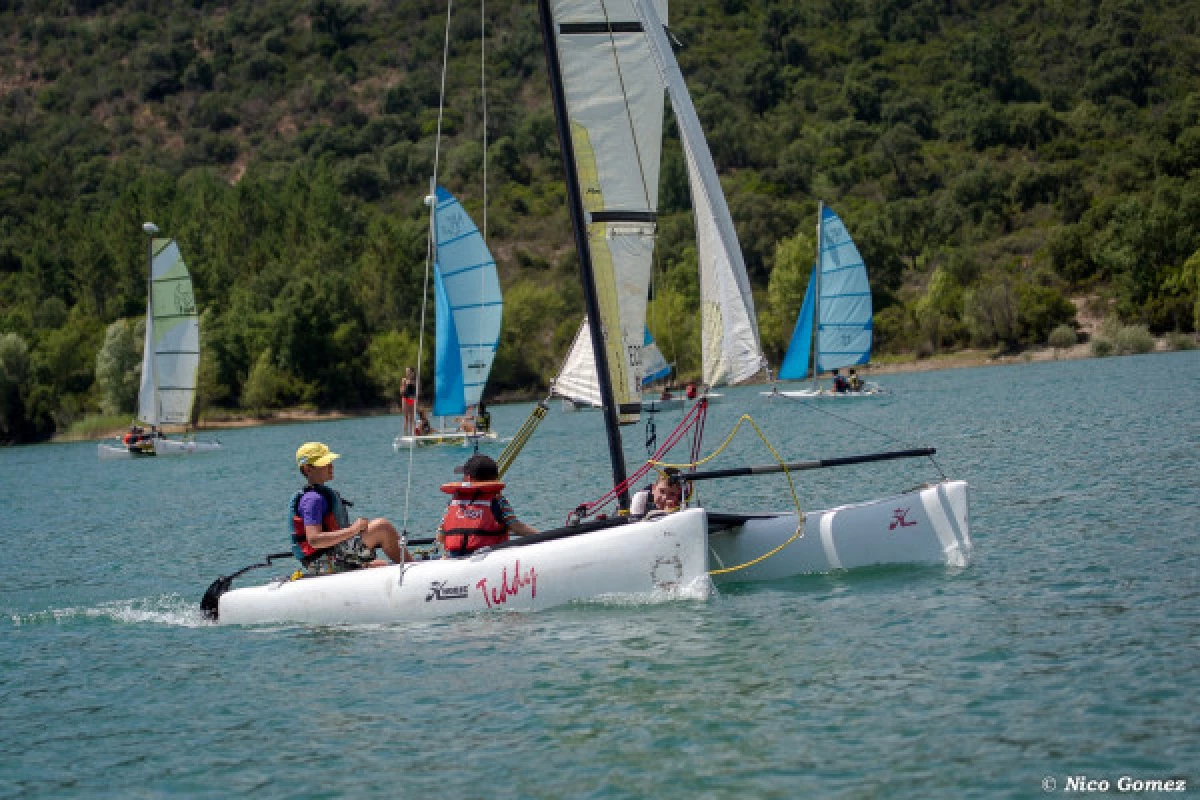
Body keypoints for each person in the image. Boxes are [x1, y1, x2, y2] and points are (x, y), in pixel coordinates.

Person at [291, 442, 409, 576]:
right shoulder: (312, 499)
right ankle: (412, 570)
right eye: (324, 463)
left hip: (330, 558)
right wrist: (353, 530)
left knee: (381, 565)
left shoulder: (319, 495)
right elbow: (314, 540)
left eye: (330, 461)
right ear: (308, 469)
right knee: (382, 527)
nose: (331, 466)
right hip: (325, 562)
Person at [436, 453, 537, 557]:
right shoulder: (497, 500)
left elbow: (440, 535)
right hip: (491, 558)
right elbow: (516, 527)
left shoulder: (454, 502)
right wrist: (544, 537)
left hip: (456, 558)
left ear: (469, 478)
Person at [400, 367, 417, 435]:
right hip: (405, 398)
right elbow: (401, 391)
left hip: (411, 399)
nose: (407, 373)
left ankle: (412, 433)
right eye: (406, 372)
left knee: (412, 417)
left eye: (409, 371)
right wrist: (405, 385)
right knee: (406, 417)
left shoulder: (415, 381)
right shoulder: (404, 380)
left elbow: (419, 391)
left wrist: (414, 384)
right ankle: (405, 434)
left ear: (412, 373)